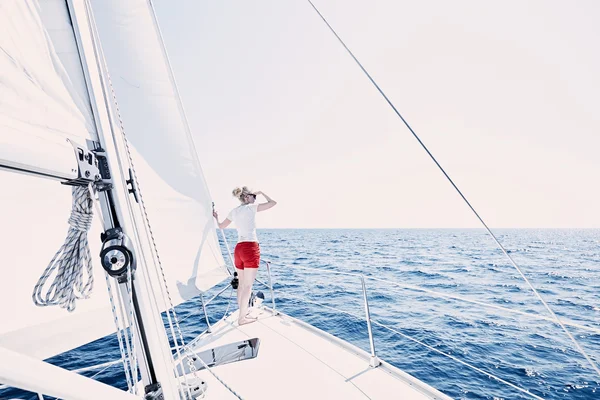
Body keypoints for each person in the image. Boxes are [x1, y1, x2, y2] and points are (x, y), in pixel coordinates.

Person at [213, 187, 277, 325]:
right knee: (248, 286)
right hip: (250, 248)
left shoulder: (234, 211)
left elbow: (221, 226)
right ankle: (242, 319)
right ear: (247, 197)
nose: (255, 198)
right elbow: (273, 203)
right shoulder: (251, 208)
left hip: (238, 249)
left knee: (242, 285)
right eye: (254, 196)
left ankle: (243, 311)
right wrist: (262, 192)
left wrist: (216, 218)